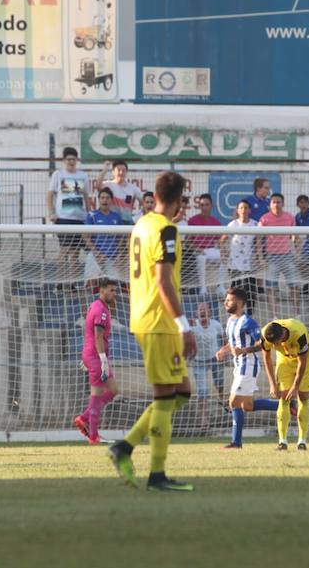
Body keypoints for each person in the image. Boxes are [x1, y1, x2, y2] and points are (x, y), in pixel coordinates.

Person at [108, 171, 196, 492]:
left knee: (182, 392)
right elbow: (162, 281)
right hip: (160, 322)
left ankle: (125, 446)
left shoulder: (142, 224)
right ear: (178, 199)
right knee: (164, 396)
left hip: (147, 317)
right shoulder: (166, 229)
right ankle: (157, 476)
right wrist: (183, 326)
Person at [215, 287, 280, 449]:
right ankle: (285, 405)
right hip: (239, 367)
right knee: (247, 406)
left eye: (229, 300)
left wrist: (243, 351)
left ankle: (236, 442)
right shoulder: (230, 321)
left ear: (239, 302)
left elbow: (262, 343)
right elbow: (234, 342)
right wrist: (224, 350)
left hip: (248, 367)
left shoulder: (248, 322)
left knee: (234, 402)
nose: (225, 302)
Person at [258, 318, 309, 451]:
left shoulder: (299, 333)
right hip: (284, 361)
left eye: (276, 343)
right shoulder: (265, 334)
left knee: (303, 396)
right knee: (283, 398)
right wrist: (272, 384)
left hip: (304, 360)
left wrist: (296, 387)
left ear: (283, 336)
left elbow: (302, 362)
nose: (273, 346)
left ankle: (302, 441)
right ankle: (282, 442)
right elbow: (266, 359)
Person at [73, 279, 119, 444]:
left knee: (113, 389)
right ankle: (93, 436)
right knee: (96, 395)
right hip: (96, 356)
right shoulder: (101, 310)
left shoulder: (96, 305)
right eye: (112, 290)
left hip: (92, 354)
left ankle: (83, 418)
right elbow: (98, 335)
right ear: (102, 290)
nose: (115, 294)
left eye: (115, 290)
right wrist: (102, 360)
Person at [47, 147, 91, 280]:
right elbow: (50, 195)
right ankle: (60, 282)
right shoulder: (58, 175)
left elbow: (86, 196)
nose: (71, 162)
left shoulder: (82, 176)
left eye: (74, 159)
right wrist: (51, 213)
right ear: (64, 160)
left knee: (75, 253)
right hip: (63, 218)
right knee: (64, 250)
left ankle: (71, 284)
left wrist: (89, 215)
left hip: (79, 218)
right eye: (69, 159)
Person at [259, 193, 300, 317]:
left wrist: (297, 252)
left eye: (279, 202)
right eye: (274, 202)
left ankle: (297, 315)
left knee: (294, 286)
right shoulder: (264, 219)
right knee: (271, 288)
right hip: (271, 257)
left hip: (287, 256)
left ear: (283, 203)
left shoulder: (290, 217)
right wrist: (260, 256)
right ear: (270, 204)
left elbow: (296, 236)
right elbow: (258, 238)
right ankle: (274, 316)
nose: (276, 204)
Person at [220, 200, 261, 313]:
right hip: (235, 264)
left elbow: (258, 243)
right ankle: (235, 314)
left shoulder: (254, 224)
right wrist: (224, 253)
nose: (244, 210)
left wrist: (259, 258)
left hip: (250, 264)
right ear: (238, 210)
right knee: (235, 291)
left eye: (246, 207)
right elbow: (222, 240)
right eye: (241, 208)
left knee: (251, 291)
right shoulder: (233, 224)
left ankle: (250, 314)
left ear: (250, 210)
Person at [190, 302, 225, 428]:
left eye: (205, 309)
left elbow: (224, 337)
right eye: (200, 310)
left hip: (215, 358)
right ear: (197, 313)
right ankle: (203, 418)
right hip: (199, 361)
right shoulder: (193, 325)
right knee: (202, 390)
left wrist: (225, 351)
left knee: (220, 383)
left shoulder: (216, 325)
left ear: (210, 313)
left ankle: (222, 400)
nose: (202, 311)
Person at [83, 188, 124, 281]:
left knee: (113, 285)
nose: (105, 200)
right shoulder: (92, 215)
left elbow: (121, 236)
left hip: (112, 257)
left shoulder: (116, 216)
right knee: (91, 284)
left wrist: (119, 254)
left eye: (107, 198)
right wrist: (97, 253)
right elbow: (85, 236)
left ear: (111, 200)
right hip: (95, 256)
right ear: (99, 199)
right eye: (102, 198)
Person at [187, 194, 224, 295]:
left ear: (211, 206)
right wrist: (198, 249)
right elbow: (188, 242)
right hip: (198, 251)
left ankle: (220, 286)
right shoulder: (192, 221)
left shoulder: (215, 222)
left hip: (210, 250)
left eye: (207, 205)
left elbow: (220, 241)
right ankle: (203, 288)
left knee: (224, 256)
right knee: (201, 257)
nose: (204, 207)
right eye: (202, 205)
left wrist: (223, 249)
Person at [98, 159, 143, 225]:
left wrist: (136, 218)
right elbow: (98, 186)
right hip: (112, 221)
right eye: (118, 170)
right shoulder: (108, 185)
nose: (121, 172)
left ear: (126, 172)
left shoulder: (133, 188)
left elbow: (144, 203)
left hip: (127, 223)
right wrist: (105, 169)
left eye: (123, 170)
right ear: (113, 172)